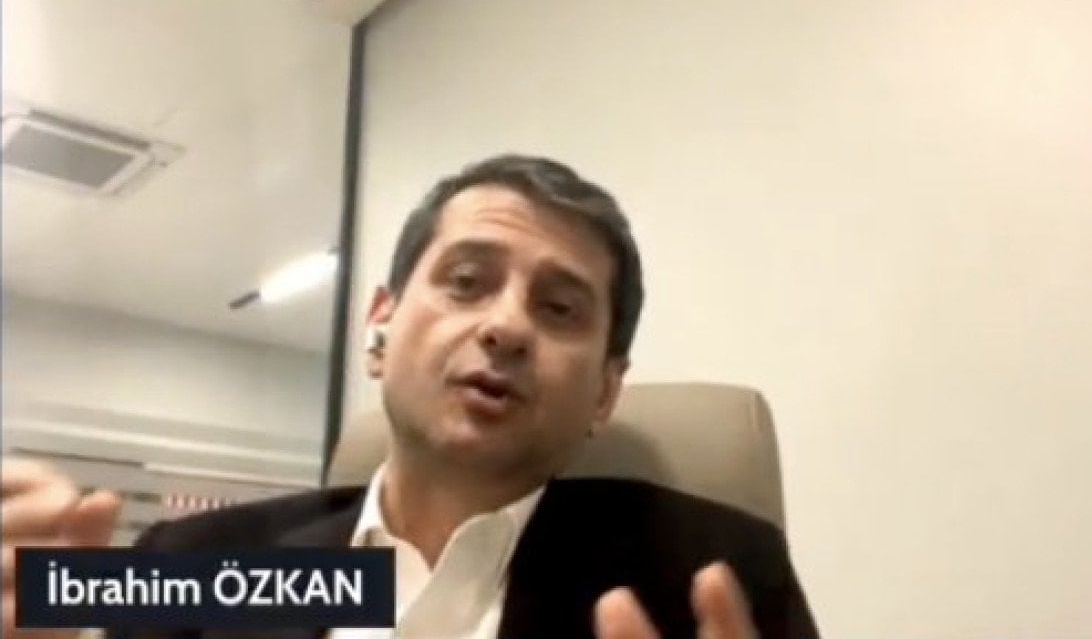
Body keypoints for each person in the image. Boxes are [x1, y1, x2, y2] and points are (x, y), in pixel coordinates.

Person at [1, 155, 820, 639]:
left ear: (606, 391)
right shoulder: (194, 563)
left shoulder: (716, 573)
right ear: (380, 327)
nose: (507, 326)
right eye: (466, 281)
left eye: (559, 308)